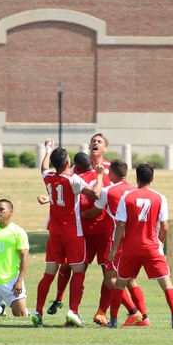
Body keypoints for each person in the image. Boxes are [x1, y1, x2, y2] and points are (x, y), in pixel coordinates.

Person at [34, 139, 103, 327]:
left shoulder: (48, 177)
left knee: (49, 274)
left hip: (54, 233)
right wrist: (99, 176)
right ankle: (73, 311)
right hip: (74, 233)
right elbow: (96, 193)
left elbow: (43, 166)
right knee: (78, 271)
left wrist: (47, 149)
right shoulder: (73, 180)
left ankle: (38, 312)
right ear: (67, 163)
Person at [47, 134, 113, 320]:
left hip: (103, 228)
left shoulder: (108, 169)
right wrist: (50, 199)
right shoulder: (75, 169)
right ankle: (63, 302)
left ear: (105, 149)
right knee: (72, 264)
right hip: (80, 229)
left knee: (111, 273)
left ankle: (105, 312)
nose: (95, 143)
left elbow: (115, 193)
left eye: (100, 142)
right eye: (93, 141)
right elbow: (64, 189)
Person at [107, 163, 173, 329]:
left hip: (131, 248)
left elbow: (120, 225)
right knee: (166, 283)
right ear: (152, 179)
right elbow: (165, 227)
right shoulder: (160, 197)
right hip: (152, 247)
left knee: (119, 283)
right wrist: (159, 241)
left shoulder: (127, 197)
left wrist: (113, 249)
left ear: (137, 178)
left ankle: (113, 320)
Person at [85, 158, 147, 328]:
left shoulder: (108, 191)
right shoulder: (135, 190)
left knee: (110, 280)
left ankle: (134, 312)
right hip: (134, 242)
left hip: (117, 242)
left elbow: (95, 211)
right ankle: (145, 318)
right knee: (130, 280)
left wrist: (79, 214)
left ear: (112, 173)